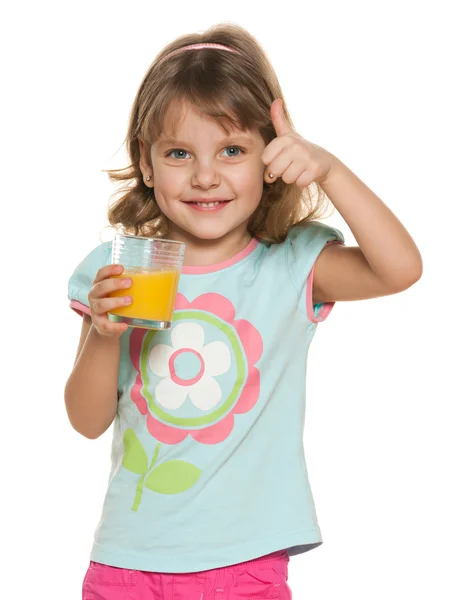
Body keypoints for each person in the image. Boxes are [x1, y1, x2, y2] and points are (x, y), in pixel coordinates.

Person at [65, 22, 422, 600]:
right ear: (147, 163)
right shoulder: (120, 269)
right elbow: (85, 421)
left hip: (245, 566)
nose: (206, 175)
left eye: (232, 150)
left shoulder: (291, 265)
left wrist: (328, 168)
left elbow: (400, 269)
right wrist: (106, 335)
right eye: (179, 152)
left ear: (270, 158)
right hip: (126, 563)